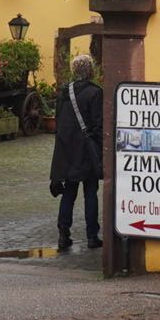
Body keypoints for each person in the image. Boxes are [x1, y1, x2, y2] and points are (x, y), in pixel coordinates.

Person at [49, 53, 103, 252]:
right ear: (90, 70)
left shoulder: (64, 91)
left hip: (68, 150)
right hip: (87, 151)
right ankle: (91, 236)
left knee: (69, 194)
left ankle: (64, 234)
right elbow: (98, 125)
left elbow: (59, 122)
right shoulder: (95, 93)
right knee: (90, 193)